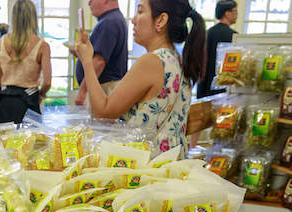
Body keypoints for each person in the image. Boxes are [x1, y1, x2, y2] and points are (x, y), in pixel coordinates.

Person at [76, 0, 205, 155]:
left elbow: (103, 113)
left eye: (141, 11)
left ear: (161, 21)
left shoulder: (151, 61)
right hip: (169, 164)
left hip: (148, 167)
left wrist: (87, 62)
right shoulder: (175, 58)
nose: (133, 19)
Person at [0, 0, 51, 125]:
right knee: (31, 143)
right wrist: (41, 95)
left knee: (3, 142)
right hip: (29, 102)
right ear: (33, 17)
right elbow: (47, 81)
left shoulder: (2, 41)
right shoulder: (42, 45)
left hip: (5, 101)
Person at [72, 0, 129, 106]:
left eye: (91, 0)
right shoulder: (113, 19)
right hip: (104, 87)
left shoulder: (109, 22)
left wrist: (83, 90)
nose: (89, 4)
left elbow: (99, 62)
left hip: (103, 88)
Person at [197, 0, 236, 99]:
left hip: (205, 85)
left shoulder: (208, 32)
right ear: (227, 13)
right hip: (224, 85)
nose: (237, 15)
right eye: (235, 11)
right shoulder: (234, 36)